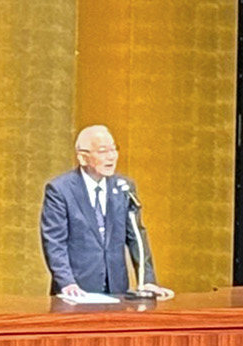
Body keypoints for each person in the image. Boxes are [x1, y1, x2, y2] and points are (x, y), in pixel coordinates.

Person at [39, 125, 172, 299]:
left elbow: (136, 237)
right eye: (103, 151)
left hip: (117, 290)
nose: (111, 157)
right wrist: (67, 282)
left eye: (114, 149)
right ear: (82, 158)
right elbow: (54, 242)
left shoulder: (124, 187)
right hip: (76, 291)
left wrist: (146, 280)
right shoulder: (60, 190)